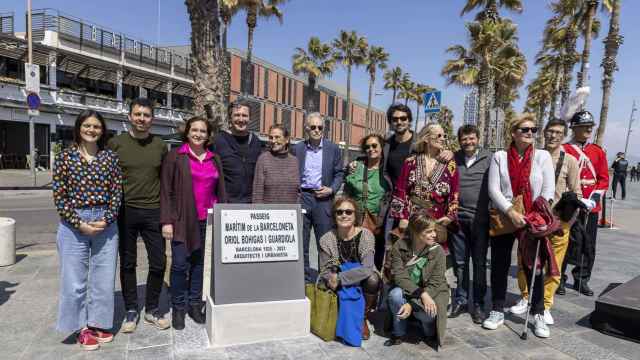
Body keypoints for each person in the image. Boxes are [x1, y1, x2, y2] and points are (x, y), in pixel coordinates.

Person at [53, 110, 123, 350]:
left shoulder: (110, 158)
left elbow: (116, 192)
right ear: (79, 128)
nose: (91, 130)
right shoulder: (64, 157)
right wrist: (78, 223)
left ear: (102, 131)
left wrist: (107, 219)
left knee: (103, 279)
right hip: (74, 224)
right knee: (74, 280)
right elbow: (60, 196)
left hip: (105, 222)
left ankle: (98, 322)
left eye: (96, 126)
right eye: (87, 126)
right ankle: (81, 326)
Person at [482, 114, 555, 338]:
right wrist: (511, 212)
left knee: (535, 266)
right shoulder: (500, 157)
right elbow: (494, 189)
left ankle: (539, 313)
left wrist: (537, 215)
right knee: (500, 264)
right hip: (505, 216)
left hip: (532, 218)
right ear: (513, 132)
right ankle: (497, 309)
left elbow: (548, 190)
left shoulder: (542, 156)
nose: (530, 133)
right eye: (525, 129)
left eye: (534, 129)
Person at [511, 118, 582, 326]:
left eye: (559, 133)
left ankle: (546, 304)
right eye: (550, 131)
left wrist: (567, 222)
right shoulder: (533, 156)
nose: (553, 136)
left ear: (564, 135)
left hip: (557, 223)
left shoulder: (569, 161)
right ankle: (526, 297)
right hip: (531, 221)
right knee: (525, 261)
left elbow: (576, 192)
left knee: (553, 266)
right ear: (543, 133)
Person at [108, 97, 170, 332]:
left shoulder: (159, 145)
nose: (141, 119)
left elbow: (166, 180)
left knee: (158, 262)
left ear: (152, 119)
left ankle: (152, 308)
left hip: (153, 210)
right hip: (125, 211)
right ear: (130, 116)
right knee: (128, 263)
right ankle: (131, 310)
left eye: (146, 115)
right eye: (137, 114)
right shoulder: (116, 143)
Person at [160, 117, 226, 330]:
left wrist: (222, 214)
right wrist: (166, 221)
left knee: (198, 265)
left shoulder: (214, 158)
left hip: (206, 221)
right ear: (187, 133)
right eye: (194, 130)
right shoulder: (176, 157)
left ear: (208, 135)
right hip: (181, 220)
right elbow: (166, 191)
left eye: (203, 131)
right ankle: (178, 308)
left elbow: (220, 189)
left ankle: (194, 304)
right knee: (180, 265)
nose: (198, 134)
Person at [318, 197, 381, 343]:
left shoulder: (366, 235)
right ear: (334, 216)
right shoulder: (326, 239)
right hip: (336, 280)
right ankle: (340, 317)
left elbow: (367, 268)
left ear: (355, 216)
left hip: (359, 278)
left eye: (348, 212)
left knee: (373, 279)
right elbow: (325, 269)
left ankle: (362, 319)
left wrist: (340, 278)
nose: (344, 215)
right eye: (339, 212)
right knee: (325, 282)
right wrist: (332, 278)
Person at [389, 123, 459, 251]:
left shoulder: (450, 164)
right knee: (409, 260)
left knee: (432, 261)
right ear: (426, 138)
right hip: (413, 220)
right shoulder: (411, 162)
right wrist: (402, 217)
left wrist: (450, 216)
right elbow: (400, 190)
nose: (443, 138)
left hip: (436, 221)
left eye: (444, 135)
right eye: (439, 135)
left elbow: (454, 193)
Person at [562, 111, 609, 296]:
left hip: (591, 204)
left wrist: (593, 199)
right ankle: (559, 279)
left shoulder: (597, 151)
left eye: (590, 125)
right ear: (574, 128)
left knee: (588, 244)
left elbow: (604, 179)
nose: (589, 128)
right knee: (565, 241)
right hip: (571, 203)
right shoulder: (565, 149)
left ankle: (582, 279)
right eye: (584, 126)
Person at [293, 112, 344, 282]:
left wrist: (331, 189)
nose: (316, 130)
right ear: (306, 128)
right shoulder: (298, 148)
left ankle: (326, 280)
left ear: (324, 129)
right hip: (303, 197)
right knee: (302, 241)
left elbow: (339, 173)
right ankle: (304, 279)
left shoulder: (333, 149)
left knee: (325, 242)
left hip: (323, 200)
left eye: (320, 127)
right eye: (313, 127)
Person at [385, 213, 448, 349]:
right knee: (395, 295)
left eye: (434, 231)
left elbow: (436, 283)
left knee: (428, 313)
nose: (434, 235)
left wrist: (412, 304)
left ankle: (429, 328)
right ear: (415, 232)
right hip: (412, 291)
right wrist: (421, 294)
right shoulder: (400, 246)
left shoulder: (438, 251)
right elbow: (400, 276)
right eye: (428, 231)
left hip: (431, 293)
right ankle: (398, 332)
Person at [449, 124, 492, 323]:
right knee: (460, 262)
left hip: (481, 221)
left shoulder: (489, 159)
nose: (468, 142)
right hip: (458, 221)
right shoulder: (453, 159)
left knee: (480, 264)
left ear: (478, 138)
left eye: (472, 138)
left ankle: (479, 304)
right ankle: (461, 298)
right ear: (459, 141)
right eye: (464, 139)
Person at [344, 134, 392, 270]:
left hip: (378, 224)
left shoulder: (387, 171)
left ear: (382, 147)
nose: (371, 149)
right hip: (356, 222)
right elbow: (346, 192)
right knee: (354, 258)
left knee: (374, 262)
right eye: (367, 147)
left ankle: (372, 288)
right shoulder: (357, 166)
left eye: (374, 145)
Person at [211, 99, 262, 203]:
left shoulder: (256, 142)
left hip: (251, 203)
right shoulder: (218, 140)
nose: (241, 119)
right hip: (226, 203)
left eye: (244, 115)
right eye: (237, 115)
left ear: (250, 118)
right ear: (230, 118)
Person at [252, 124, 300, 204]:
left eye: (277, 137)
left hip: (290, 213)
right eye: (271, 138)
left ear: (287, 139)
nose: (273, 141)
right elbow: (257, 193)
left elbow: (298, 192)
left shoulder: (294, 161)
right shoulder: (263, 159)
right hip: (269, 213)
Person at [383, 103, 416, 188]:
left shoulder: (421, 142)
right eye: (395, 119)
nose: (399, 122)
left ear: (409, 120)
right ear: (390, 122)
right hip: (394, 197)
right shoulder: (386, 145)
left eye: (403, 118)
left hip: (415, 198)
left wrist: (448, 153)